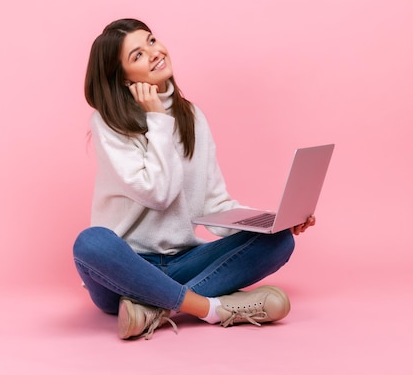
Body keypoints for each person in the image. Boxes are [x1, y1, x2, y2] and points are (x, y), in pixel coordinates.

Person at [73, 18, 316, 340]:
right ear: (121, 78)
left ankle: (152, 310)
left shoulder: (192, 116)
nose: (155, 52)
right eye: (138, 55)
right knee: (91, 242)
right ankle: (212, 309)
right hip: (124, 269)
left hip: (184, 261)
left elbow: (213, 203)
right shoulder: (109, 123)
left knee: (280, 241)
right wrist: (157, 118)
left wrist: (271, 222)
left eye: (152, 40)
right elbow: (156, 194)